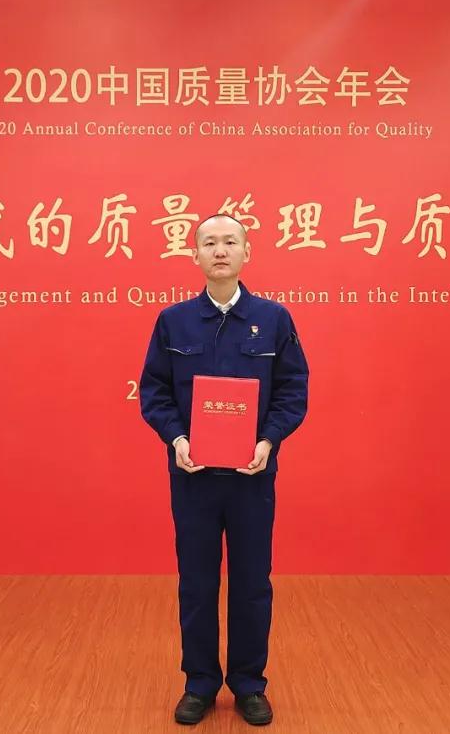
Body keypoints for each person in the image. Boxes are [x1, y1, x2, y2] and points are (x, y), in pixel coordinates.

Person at [139, 214, 309, 726]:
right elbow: (155, 392)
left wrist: (268, 440)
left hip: (252, 478)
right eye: (209, 243)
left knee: (253, 583)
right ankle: (200, 683)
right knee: (196, 584)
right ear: (194, 255)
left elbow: (292, 391)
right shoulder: (173, 321)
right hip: (193, 477)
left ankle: (249, 684)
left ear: (246, 252)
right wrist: (177, 437)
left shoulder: (274, 319)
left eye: (230, 241)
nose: (219, 250)